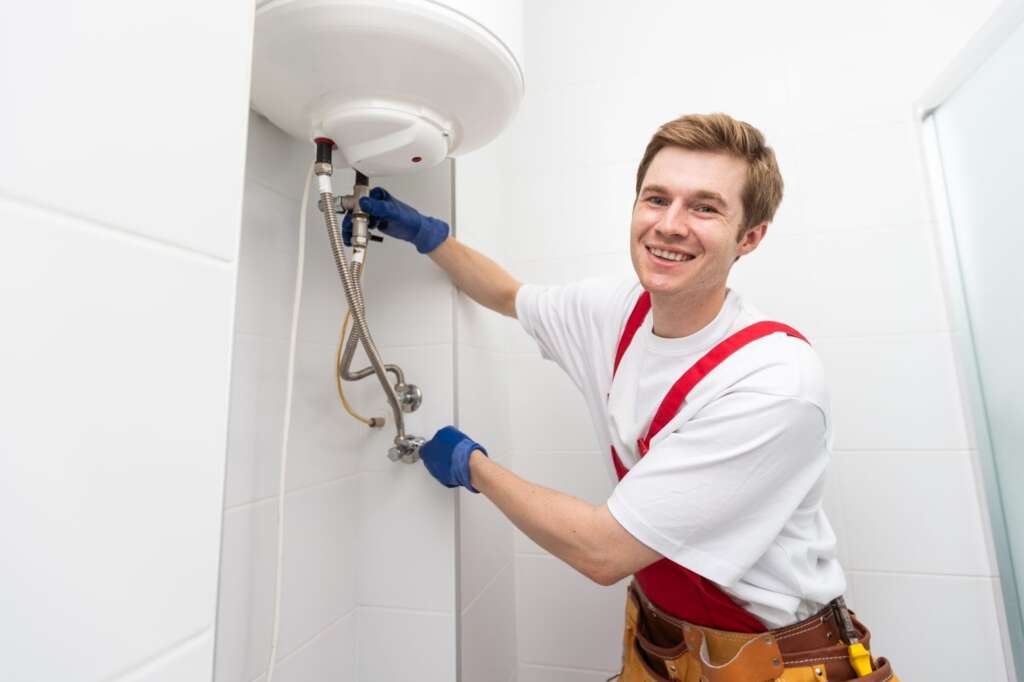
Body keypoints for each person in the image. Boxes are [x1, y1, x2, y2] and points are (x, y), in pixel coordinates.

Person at [348, 113, 899, 681]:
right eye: (656, 199)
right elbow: (511, 296)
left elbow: (602, 552)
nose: (670, 225)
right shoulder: (613, 313)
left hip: (776, 657)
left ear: (750, 237)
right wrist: (428, 237)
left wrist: (474, 466)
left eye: (705, 207)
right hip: (663, 638)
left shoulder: (772, 383)